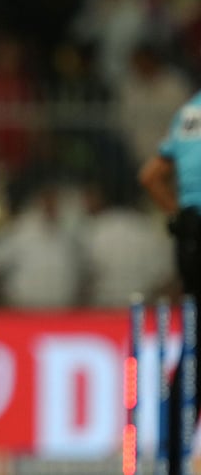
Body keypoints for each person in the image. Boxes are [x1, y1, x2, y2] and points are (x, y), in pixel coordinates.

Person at [139, 88, 201, 475]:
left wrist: (180, 218)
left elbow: (150, 177)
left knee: (195, 348)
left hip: (191, 240)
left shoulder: (189, 112)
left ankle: (174, 449)